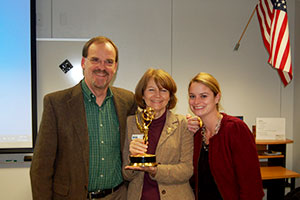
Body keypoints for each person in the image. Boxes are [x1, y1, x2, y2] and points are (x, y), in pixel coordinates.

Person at [30, 36, 136, 200]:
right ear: (83, 62)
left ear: (115, 67)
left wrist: (189, 121)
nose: (102, 67)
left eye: (108, 61)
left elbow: (149, 125)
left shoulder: (128, 101)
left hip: (118, 195)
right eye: (95, 60)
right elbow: (41, 167)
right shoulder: (56, 103)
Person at [186, 72, 264, 200]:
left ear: (217, 98)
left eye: (204, 96)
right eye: (192, 96)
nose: (196, 102)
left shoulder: (235, 129)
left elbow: (251, 185)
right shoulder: (197, 134)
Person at [122, 68, 194, 200]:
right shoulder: (130, 123)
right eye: (151, 90)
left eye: (163, 90)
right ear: (142, 94)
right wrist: (132, 158)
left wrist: (156, 171)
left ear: (170, 96)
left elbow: (187, 170)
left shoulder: (183, 124)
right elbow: (126, 175)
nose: (157, 95)